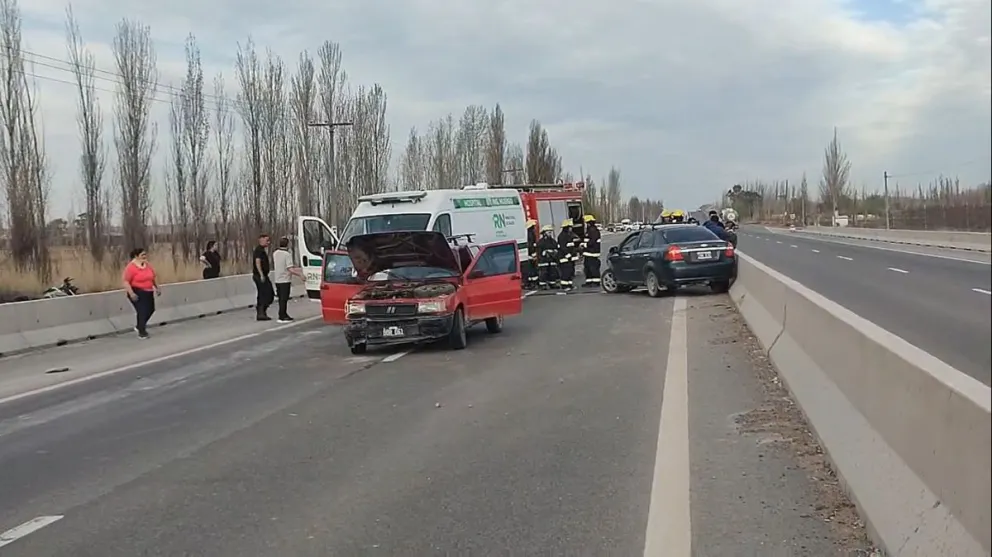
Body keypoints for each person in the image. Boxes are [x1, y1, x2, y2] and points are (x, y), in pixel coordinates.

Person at [122, 247, 161, 339]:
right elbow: (126, 281)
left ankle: (139, 326)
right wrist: (131, 293)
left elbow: (152, 277)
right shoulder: (131, 267)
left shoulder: (147, 265)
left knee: (151, 309)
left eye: (145, 254)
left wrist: (157, 287)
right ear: (136, 256)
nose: (145, 256)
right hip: (137, 291)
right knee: (142, 311)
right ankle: (142, 332)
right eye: (142, 255)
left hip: (148, 291)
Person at [272, 237, 303, 323]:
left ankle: (283, 314)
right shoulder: (287, 255)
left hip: (277, 279)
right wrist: (300, 275)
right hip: (285, 279)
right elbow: (290, 269)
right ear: (287, 245)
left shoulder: (275, 253)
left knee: (281, 298)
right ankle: (282, 315)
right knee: (284, 298)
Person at [252, 234, 274, 321]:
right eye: (267, 240)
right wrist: (261, 274)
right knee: (263, 294)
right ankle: (261, 313)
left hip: (264, 275)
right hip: (259, 276)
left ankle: (262, 311)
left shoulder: (262, 250)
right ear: (261, 240)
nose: (268, 242)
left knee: (269, 294)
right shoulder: (258, 250)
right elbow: (258, 262)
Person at [556, 219, 578, 290]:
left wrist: (573, 255)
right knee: (565, 272)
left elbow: (571, 246)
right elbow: (563, 248)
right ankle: (564, 286)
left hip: (569, 257)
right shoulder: (562, 236)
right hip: (564, 258)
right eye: (570, 227)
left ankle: (570, 285)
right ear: (566, 227)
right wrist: (568, 255)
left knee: (570, 272)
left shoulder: (569, 235)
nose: (571, 228)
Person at [581, 215, 602, 287]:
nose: (586, 224)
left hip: (592, 253)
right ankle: (589, 281)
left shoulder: (593, 230)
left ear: (589, 223)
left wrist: (585, 245)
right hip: (588, 253)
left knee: (593, 268)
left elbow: (592, 241)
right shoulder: (590, 230)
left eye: (587, 223)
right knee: (587, 268)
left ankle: (596, 282)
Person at [536, 224, 559, 290]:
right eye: (548, 232)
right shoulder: (540, 242)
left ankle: (552, 283)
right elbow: (539, 251)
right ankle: (542, 285)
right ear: (544, 233)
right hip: (543, 261)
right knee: (543, 273)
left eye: (550, 232)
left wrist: (554, 252)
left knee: (552, 272)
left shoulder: (552, 241)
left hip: (552, 260)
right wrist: (545, 252)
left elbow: (556, 247)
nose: (550, 233)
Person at [524, 220, 539, 289]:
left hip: (529, 255)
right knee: (532, 270)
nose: (535, 228)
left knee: (531, 270)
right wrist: (533, 254)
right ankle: (533, 283)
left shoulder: (528, 233)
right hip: (530, 255)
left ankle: (531, 283)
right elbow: (531, 245)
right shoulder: (530, 234)